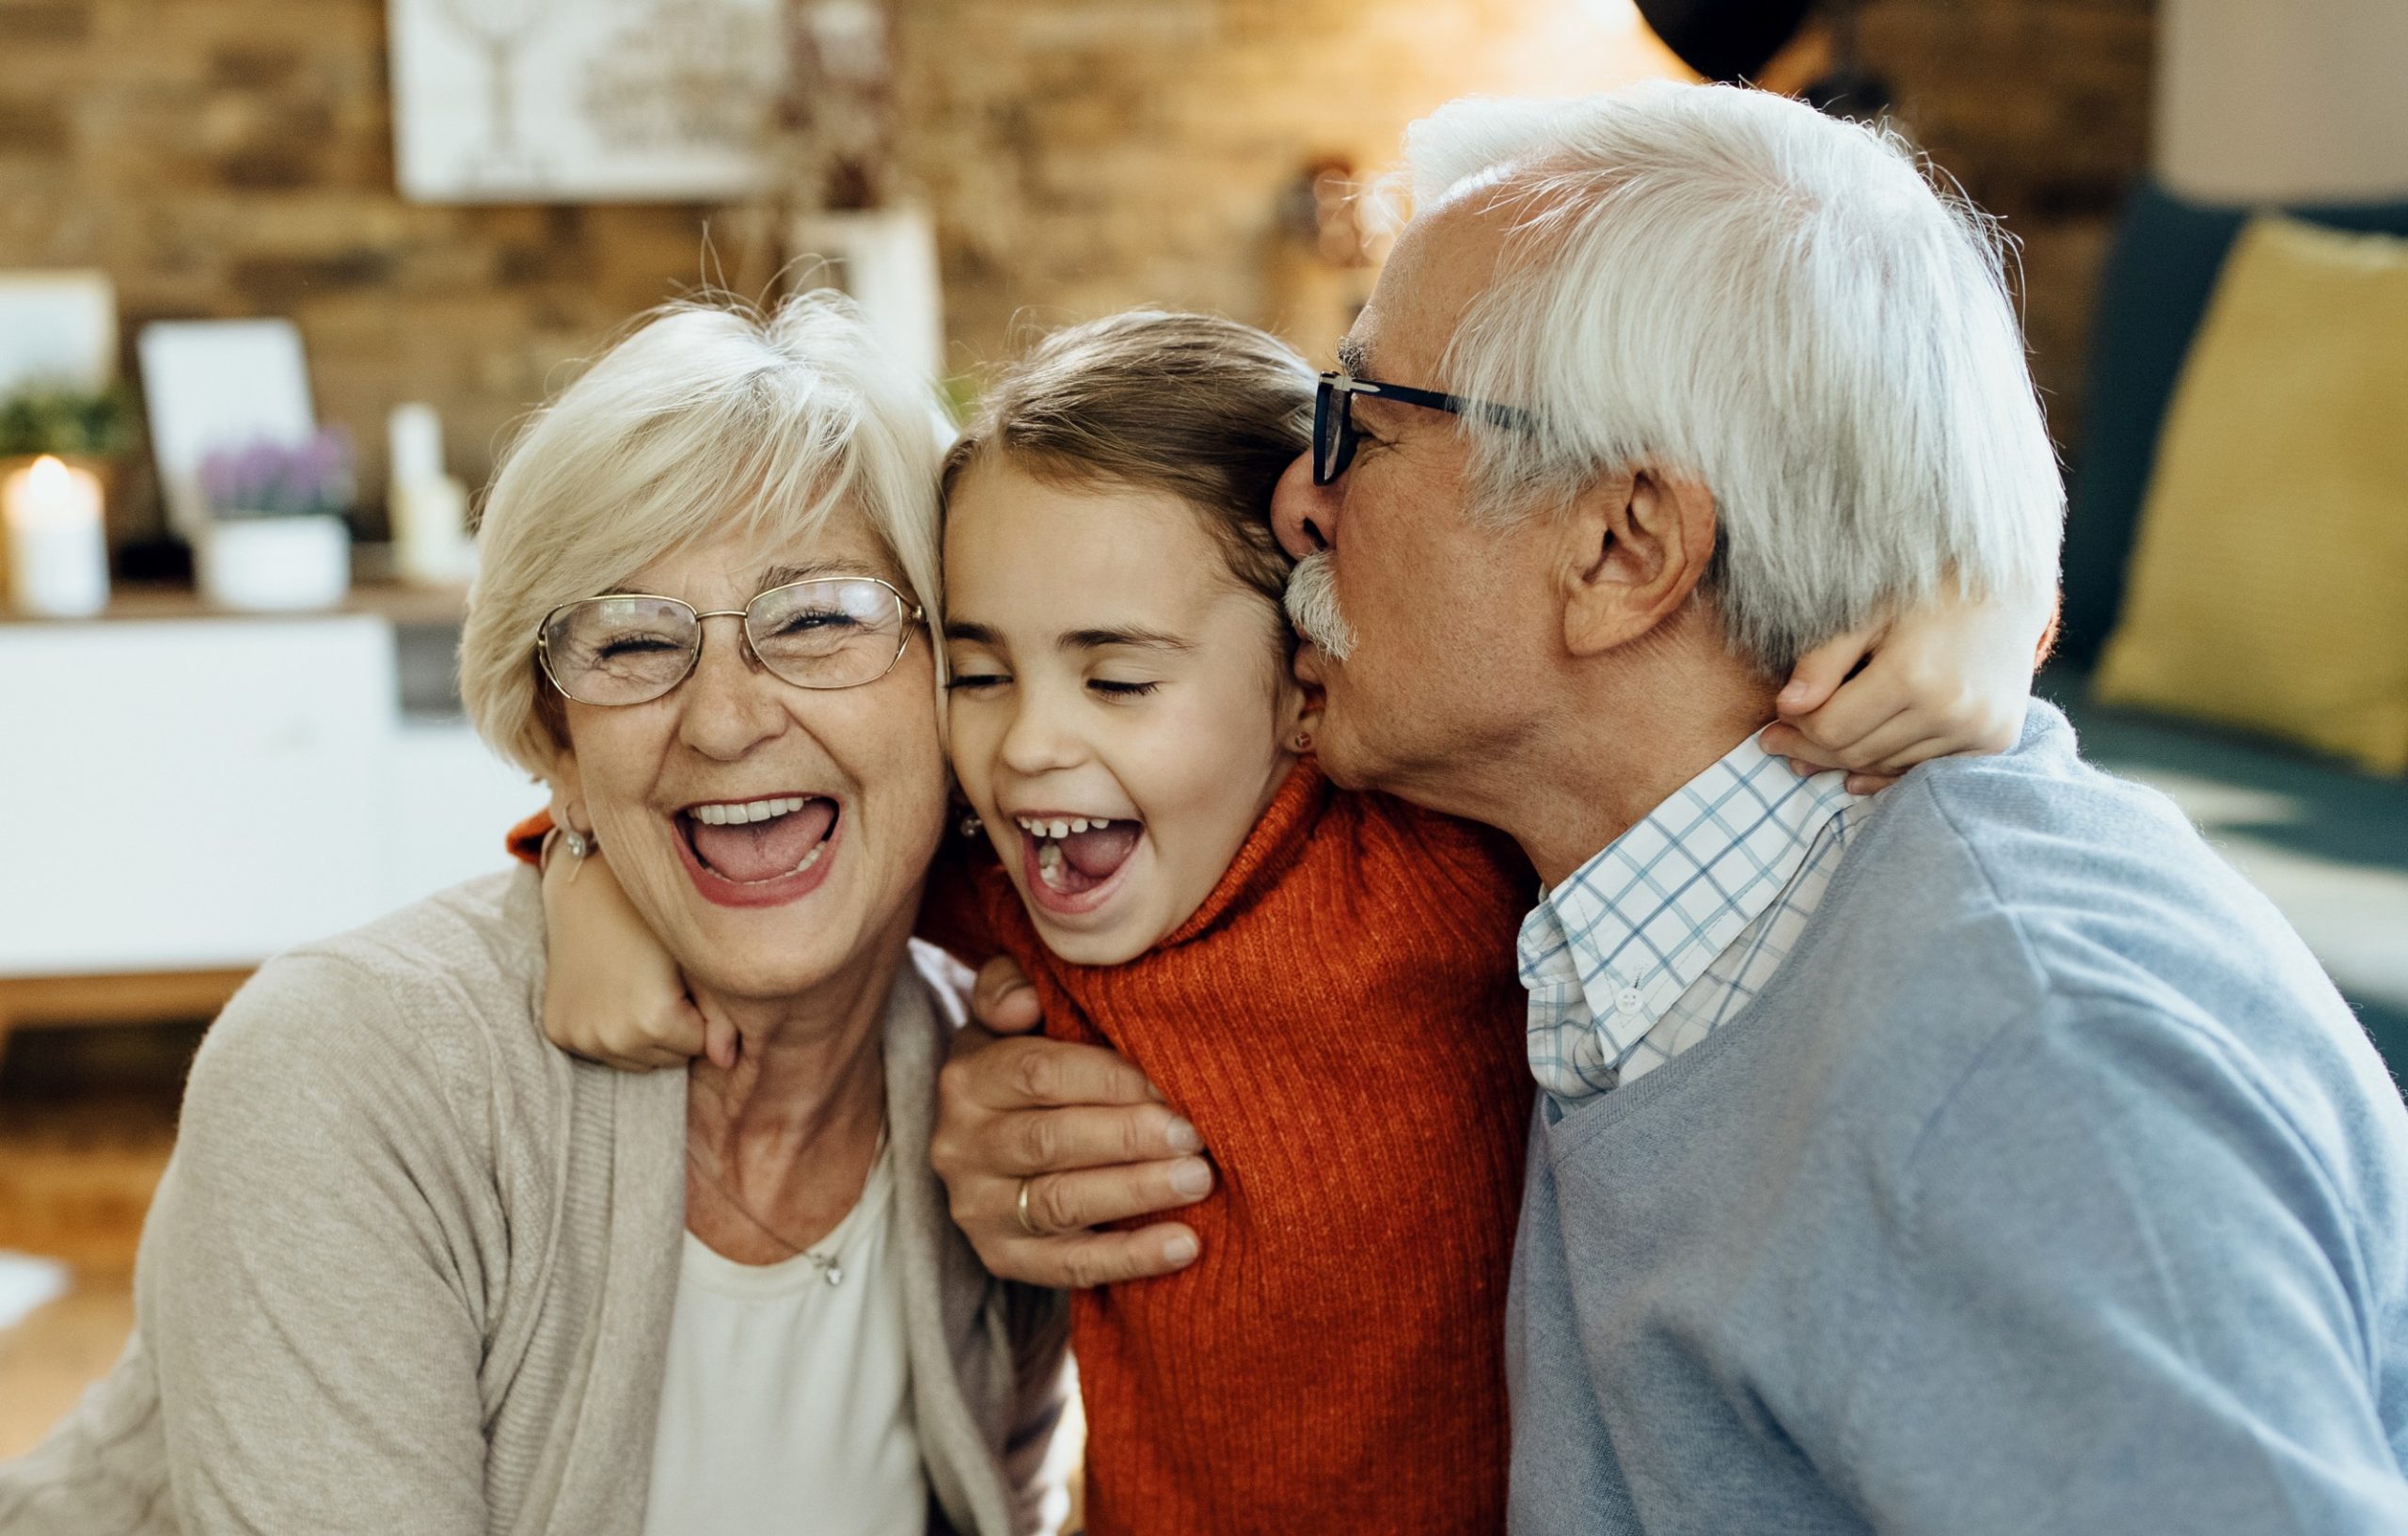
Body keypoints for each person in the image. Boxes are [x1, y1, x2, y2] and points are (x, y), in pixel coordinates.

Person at [531, 309, 2051, 1532]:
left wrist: (1984, 609)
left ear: (1306, 689)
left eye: (1118, 676)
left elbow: (1712, 727)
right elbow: (760, 822)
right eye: (979, 673)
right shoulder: (1004, 869)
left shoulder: (1435, 858)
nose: (1027, 746)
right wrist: (584, 865)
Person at [0, 293, 1069, 1536]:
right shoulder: (348, 1076)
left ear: (956, 681)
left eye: (820, 617)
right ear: (558, 738)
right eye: (629, 642)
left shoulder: (998, 1109)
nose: (724, 719)